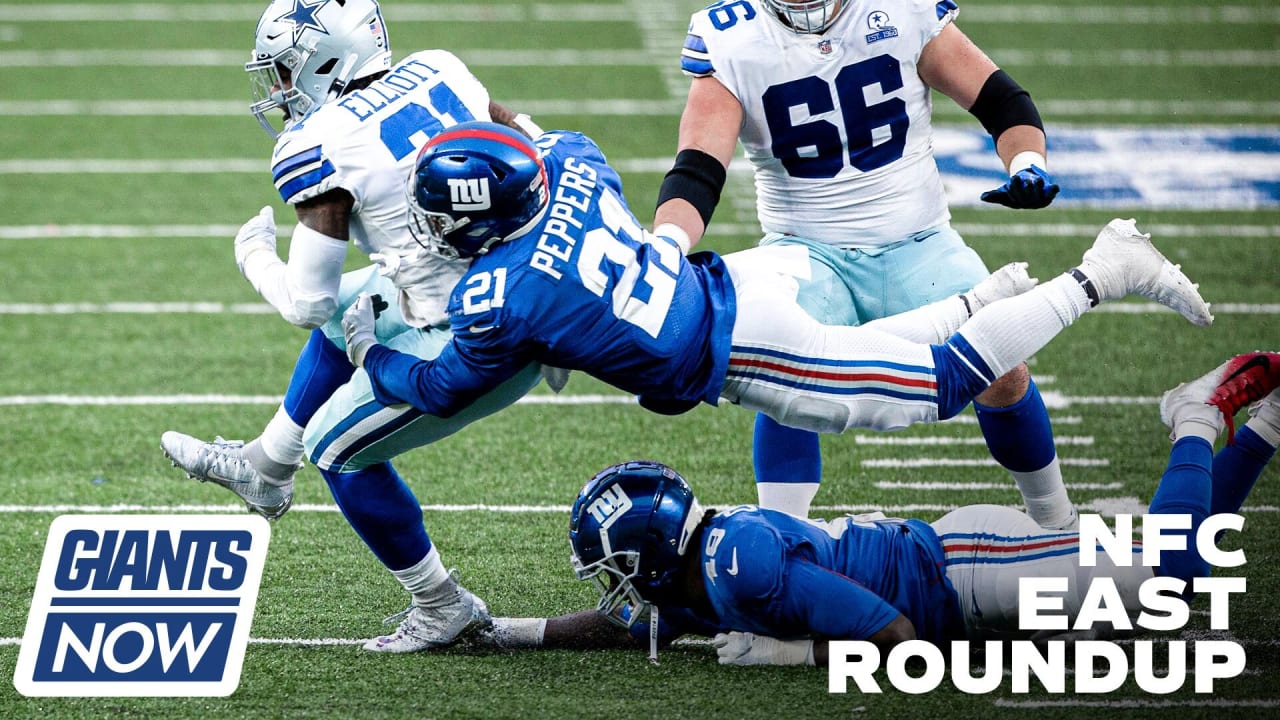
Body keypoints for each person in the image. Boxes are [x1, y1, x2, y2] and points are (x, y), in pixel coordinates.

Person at [340, 120, 1211, 454]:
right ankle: (976, 304)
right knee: (887, 349)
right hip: (729, 284)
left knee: (943, 387)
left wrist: (372, 351)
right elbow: (543, 137)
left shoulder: (500, 296)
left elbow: (442, 386)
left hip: (746, 347)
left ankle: (1106, 270)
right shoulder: (568, 165)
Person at [159, 0, 551, 653]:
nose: (281, 89)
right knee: (355, 302)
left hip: (479, 340)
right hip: (528, 293)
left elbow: (302, 302)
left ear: (325, 60)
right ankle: (266, 467)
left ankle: (441, 604)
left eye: (285, 71)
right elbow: (538, 149)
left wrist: (254, 256)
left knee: (339, 450)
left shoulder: (320, 142)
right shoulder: (440, 69)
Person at [476, 353, 1280, 664]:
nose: (615, 589)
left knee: (1169, 582)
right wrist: (502, 630)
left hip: (960, 572)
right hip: (953, 578)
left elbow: (889, 633)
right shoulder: (698, 576)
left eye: (616, 569)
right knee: (1167, 580)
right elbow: (615, 627)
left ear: (649, 554)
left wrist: (800, 653)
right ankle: (1268, 429)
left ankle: (1196, 413)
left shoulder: (738, 567)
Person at [653, 0, 1068, 524]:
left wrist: (1027, 161)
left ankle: (1056, 518)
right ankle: (785, 533)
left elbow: (1000, 100)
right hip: (804, 248)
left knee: (1002, 365)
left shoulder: (901, 9)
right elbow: (698, 167)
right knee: (783, 368)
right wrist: (667, 245)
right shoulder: (731, 34)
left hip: (916, 240)